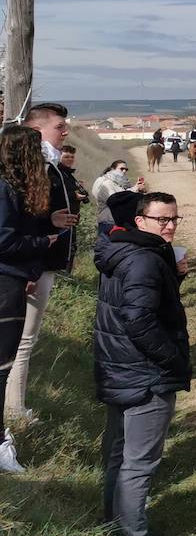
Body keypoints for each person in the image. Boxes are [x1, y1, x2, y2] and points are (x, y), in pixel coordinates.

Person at [95, 191, 191, 535]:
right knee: (138, 466)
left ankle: (113, 526)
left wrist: (174, 278)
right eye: (161, 220)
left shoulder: (120, 250)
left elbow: (134, 304)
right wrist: (173, 360)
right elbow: (138, 320)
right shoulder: (145, 259)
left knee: (119, 458)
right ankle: (132, 531)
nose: (169, 227)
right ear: (140, 221)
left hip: (119, 369)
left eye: (174, 219)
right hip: (146, 375)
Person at [7, 104, 79, 425]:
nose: (65, 132)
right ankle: (14, 411)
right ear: (36, 132)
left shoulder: (51, 164)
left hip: (38, 261)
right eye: (59, 127)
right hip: (31, 263)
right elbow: (18, 224)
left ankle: (14, 407)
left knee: (24, 340)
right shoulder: (31, 168)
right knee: (22, 340)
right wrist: (38, 250)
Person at [0, 125, 62, 473]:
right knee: (2, 364)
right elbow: (4, 240)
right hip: (5, 282)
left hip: (13, 278)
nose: (42, 157)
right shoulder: (5, 188)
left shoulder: (11, 188)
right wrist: (42, 244)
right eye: (36, 150)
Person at [92, 161, 137, 240]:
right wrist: (134, 190)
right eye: (121, 169)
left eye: (126, 169)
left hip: (116, 221)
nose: (124, 171)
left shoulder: (117, 182)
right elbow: (115, 200)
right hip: (109, 222)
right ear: (112, 169)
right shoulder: (106, 183)